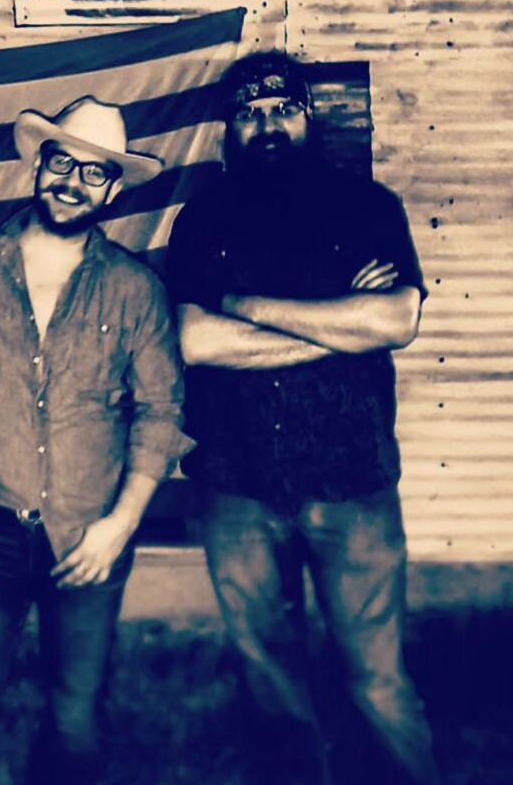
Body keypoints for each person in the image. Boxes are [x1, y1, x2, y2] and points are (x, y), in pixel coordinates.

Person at [166, 51, 439, 785]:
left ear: (307, 117)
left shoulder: (368, 206)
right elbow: (193, 341)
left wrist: (247, 308)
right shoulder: (203, 219)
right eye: (250, 114)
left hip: (353, 482)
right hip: (237, 485)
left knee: (378, 680)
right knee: (271, 681)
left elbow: (397, 317)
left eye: (281, 110)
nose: (267, 125)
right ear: (231, 127)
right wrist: (332, 329)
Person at [0, 97, 192, 785]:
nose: (72, 182)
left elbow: (160, 413)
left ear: (114, 189)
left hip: (90, 534)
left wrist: (120, 527)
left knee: (75, 717)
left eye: (93, 173)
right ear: (37, 166)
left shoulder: (135, 290)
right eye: (61, 162)